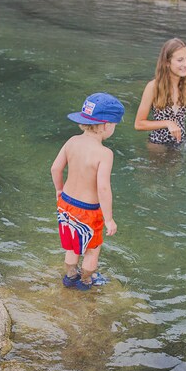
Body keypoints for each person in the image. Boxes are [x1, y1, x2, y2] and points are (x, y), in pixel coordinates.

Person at [51, 92, 125, 290]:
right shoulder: (105, 153)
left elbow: (55, 169)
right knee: (92, 250)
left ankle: (69, 276)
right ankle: (85, 281)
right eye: (114, 125)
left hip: (66, 203)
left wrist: (59, 189)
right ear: (106, 125)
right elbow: (102, 187)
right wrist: (108, 218)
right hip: (88, 210)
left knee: (72, 246)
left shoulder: (72, 141)